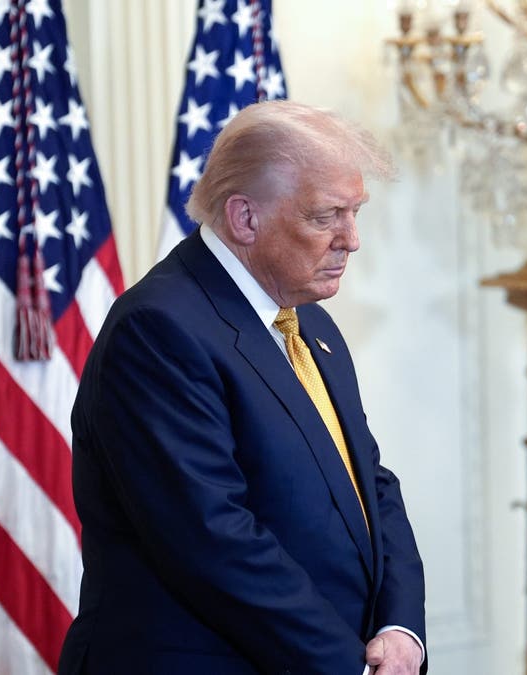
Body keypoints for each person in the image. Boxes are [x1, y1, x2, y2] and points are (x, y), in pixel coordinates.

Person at [58, 101, 426, 674]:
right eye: (326, 215)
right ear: (244, 218)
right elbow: (214, 541)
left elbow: (369, 482)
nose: (351, 239)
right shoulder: (158, 329)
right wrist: (348, 666)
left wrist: (400, 629)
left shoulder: (306, 320)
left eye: (354, 212)